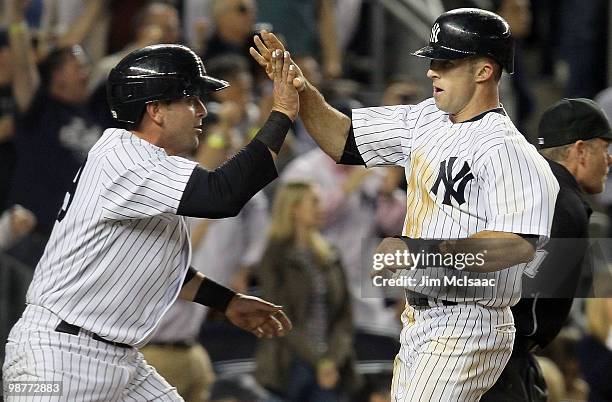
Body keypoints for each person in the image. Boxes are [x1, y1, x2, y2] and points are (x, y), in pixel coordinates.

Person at [251, 7, 559, 401]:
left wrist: (422, 251)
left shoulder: (507, 149)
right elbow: (343, 140)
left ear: (484, 71)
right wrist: (302, 88)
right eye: (433, 61)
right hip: (421, 317)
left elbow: (517, 243)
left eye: (446, 62)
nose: (432, 71)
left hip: (468, 320)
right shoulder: (425, 118)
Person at [2, 44, 296, 401]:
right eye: (190, 99)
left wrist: (227, 301)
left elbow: (155, 265)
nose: (202, 110)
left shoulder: (146, 164)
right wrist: (281, 113)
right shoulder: (125, 158)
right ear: (155, 110)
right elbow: (223, 194)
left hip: (115, 357)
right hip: (56, 357)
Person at [481, 98, 612, 401]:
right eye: (604, 148)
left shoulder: (520, 187)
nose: (609, 159)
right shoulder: (564, 202)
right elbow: (533, 309)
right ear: (580, 150)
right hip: (499, 358)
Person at [256, 182, 359, 401]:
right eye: (314, 201)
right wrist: (318, 361)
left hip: (332, 364)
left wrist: (332, 359)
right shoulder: (275, 257)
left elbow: (345, 318)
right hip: (290, 363)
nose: (321, 207)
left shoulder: (330, 255)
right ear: (293, 209)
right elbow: (280, 318)